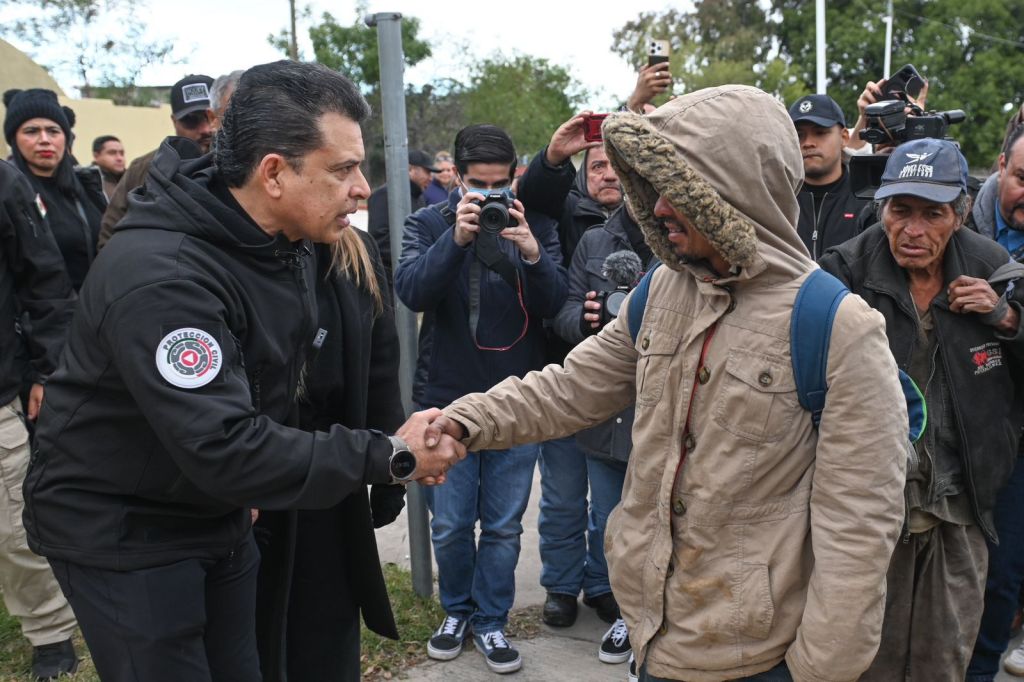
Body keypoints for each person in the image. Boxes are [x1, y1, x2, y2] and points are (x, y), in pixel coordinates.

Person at [423, 85, 910, 681]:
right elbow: (570, 388)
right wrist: (463, 421)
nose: (655, 208)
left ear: (733, 193)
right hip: (653, 636)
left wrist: (817, 671)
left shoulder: (838, 326)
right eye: (652, 188)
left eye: (676, 190)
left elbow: (859, 528)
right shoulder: (660, 291)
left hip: (759, 660)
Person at [23, 60, 465, 682]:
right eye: (342, 170)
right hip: (126, 531)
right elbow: (225, 443)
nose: (363, 189)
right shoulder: (164, 277)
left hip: (218, 509)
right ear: (274, 173)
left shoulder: (279, 245)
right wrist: (389, 455)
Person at [817, 137, 1024, 681]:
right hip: (870, 507)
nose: (913, 230)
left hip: (962, 503)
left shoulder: (993, 266)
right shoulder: (844, 271)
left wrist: (1006, 319)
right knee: (865, 656)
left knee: (944, 656)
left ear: (959, 214)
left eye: (932, 214)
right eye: (900, 211)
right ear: (882, 208)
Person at [393, 124, 567, 674]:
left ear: (515, 176)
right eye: (478, 184)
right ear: (457, 179)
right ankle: (456, 612)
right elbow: (412, 291)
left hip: (518, 402)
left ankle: (491, 620)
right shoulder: (429, 222)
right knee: (449, 524)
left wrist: (532, 253)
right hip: (446, 400)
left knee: (503, 526)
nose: (490, 196)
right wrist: (458, 239)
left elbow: (554, 304)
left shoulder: (536, 224)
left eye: (499, 184)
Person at [256, 229, 407, 682]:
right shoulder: (250, 249)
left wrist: (390, 466)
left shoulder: (354, 250)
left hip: (335, 474)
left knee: (326, 621)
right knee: (259, 624)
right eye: (342, 182)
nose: (359, 194)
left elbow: (381, 365)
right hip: (258, 473)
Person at [516, 111, 637, 632]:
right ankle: (561, 587)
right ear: (582, 176)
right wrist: (585, 321)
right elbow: (562, 309)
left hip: (626, 392)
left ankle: (603, 584)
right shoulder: (567, 217)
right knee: (563, 498)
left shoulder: (659, 230)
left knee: (612, 505)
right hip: (565, 377)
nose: (608, 175)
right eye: (597, 166)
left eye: (617, 166)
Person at [551, 200, 658, 665]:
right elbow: (565, 312)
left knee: (659, 525)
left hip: (660, 411)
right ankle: (624, 613)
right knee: (609, 523)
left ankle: (652, 621)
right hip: (606, 415)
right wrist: (586, 320)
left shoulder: (682, 238)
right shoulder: (595, 240)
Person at [0, 160, 80, 680]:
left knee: (12, 531)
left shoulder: (4, 183)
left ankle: (50, 630)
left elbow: (46, 281)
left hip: (0, 394)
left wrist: (48, 371)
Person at [962, 123, 1024, 681]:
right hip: (955, 422)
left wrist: (1008, 318)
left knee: (1002, 572)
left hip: (1018, 436)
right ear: (1000, 166)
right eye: (1022, 178)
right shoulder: (952, 216)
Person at [4, 88, 106, 290]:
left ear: (66, 138)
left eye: (53, 131)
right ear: (14, 139)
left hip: (96, 303)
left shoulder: (88, 187)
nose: (45, 140)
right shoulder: (6, 195)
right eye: (31, 131)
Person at [97, 74, 216, 248]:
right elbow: (109, 235)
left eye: (211, 117)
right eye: (191, 120)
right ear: (174, 121)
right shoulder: (143, 168)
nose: (205, 129)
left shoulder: (244, 167)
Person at [787, 94, 869, 258]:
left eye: (820, 132)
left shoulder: (867, 199)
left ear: (844, 137)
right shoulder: (779, 200)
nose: (808, 143)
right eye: (799, 135)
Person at [367, 149, 438, 283]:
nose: (431, 178)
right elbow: (379, 240)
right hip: (390, 279)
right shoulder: (384, 195)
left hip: (413, 276)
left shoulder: (420, 198)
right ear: (410, 169)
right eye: (427, 172)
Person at [90, 135, 125, 200]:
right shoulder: (89, 184)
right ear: (96, 156)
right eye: (112, 153)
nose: (119, 158)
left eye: (122, 153)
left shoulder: (133, 181)